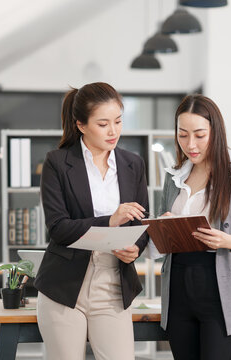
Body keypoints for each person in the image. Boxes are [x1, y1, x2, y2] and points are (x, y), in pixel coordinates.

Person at [149, 94, 231, 359]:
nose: (190, 144)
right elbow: (160, 245)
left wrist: (226, 240)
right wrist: (164, 227)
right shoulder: (175, 177)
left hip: (221, 289)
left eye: (199, 135)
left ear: (215, 132)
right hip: (178, 289)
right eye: (182, 135)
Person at [34, 82, 149, 360]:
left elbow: (141, 224)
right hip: (64, 287)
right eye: (103, 123)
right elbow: (59, 228)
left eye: (118, 121)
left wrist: (135, 249)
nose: (114, 131)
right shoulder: (57, 163)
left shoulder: (133, 164)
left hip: (113, 283)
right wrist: (110, 220)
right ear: (81, 125)